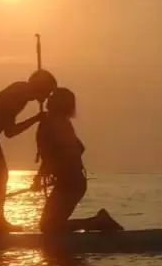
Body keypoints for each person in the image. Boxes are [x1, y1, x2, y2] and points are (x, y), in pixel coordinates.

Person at [0, 69, 58, 232]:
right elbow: (11, 132)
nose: (47, 96)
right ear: (40, 86)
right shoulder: (19, 94)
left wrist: (35, 119)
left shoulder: (21, 93)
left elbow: (9, 131)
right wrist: (36, 118)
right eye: (48, 91)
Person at [34, 87, 123, 234]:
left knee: (49, 227)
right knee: (49, 225)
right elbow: (78, 148)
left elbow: (58, 153)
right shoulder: (59, 122)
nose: (48, 99)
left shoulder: (54, 123)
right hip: (70, 182)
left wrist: (44, 175)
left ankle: (97, 222)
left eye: (53, 97)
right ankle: (95, 222)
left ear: (59, 103)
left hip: (71, 183)